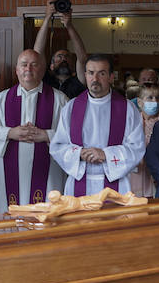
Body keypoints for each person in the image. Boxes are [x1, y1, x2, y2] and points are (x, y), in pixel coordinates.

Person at [0, 49, 69, 207]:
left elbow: (73, 136)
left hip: (48, 174)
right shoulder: (1, 100)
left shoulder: (60, 100)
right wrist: (10, 132)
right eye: (24, 65)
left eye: (34, 65)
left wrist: (46, 135)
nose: (28, 69)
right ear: (17, 70)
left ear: (43, 70)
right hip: (8, 177)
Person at [51, 54, 145, 196]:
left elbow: (137, 148)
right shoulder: (71, 107)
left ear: (111, 77)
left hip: (116, 183)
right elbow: (58, 146)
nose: (95, 79)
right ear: (85, 75)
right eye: (91, 73)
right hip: (79, 181)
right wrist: (79, 154)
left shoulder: (128, 109)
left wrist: (105, 154)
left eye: (101, 73)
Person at [35, 0, 88, 99]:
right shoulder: (45, 81)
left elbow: (82, 58)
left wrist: (69, 25)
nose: (64, 59)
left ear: (73, 65)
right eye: (59, 57)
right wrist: (47, 18)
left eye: (67, 57)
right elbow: (37, 54)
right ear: (51, 66)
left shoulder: (79, 81)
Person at [127, 82, 159, 198]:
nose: (154, 101)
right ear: (139, 102)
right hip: (136, 173)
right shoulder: (132, 121)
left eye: (157, 98)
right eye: (149, 98)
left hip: (157, 174)